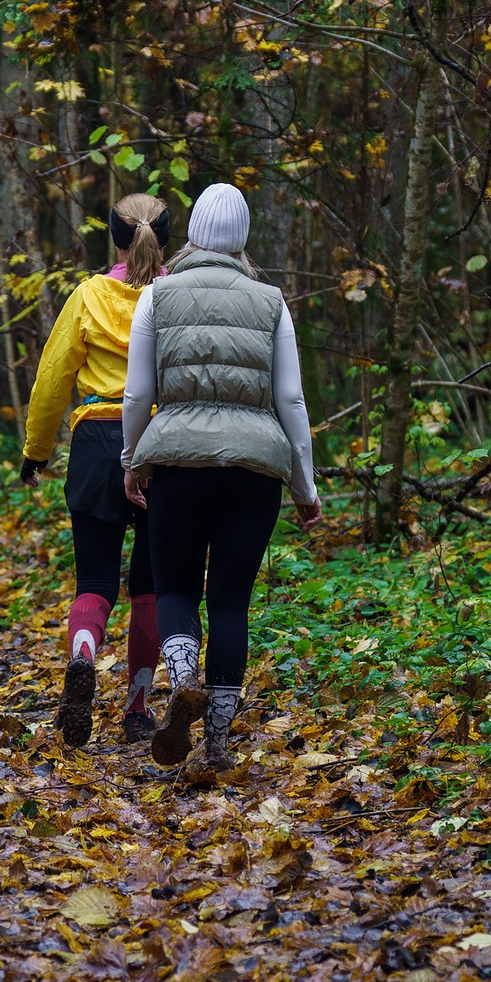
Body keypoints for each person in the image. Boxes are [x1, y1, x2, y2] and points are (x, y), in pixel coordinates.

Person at [120, 182, 322, 778]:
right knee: (232, 599)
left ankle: (184, 681)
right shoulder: (270, 301)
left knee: (177, 588)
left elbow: (137, 393)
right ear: (243, 238)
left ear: (193, 234)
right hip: (254, 469)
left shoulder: (158, 295)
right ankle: (217, 741)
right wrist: (304, 488)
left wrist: (133, 459)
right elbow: (291, 399)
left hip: (177, 464)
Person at [23, 193, 170, 749]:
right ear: (167, 240)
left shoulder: (88, 295)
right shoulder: (176, 295)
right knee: (152, 584)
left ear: (113, 239)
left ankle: (84, 652)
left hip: (94, 443)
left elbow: (52, 378)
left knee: (95, 581)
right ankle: (136, 709)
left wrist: (36, 451)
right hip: (162, 442)